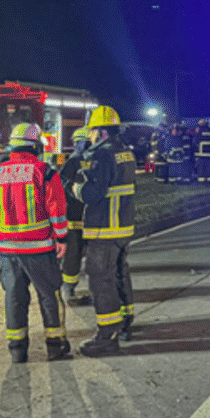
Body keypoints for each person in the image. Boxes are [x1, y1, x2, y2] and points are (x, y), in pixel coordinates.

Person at [0, 123, 72, 363]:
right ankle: (55, 346)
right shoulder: (44, 171)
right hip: (40, 248)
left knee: (14, 298)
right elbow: (57, 209)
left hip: (8, 250)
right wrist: (62, 237)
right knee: (49, 296)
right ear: (36, 146)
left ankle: (17, 349)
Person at [72, 105, 136, 357]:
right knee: (120, 273)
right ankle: (126, 320)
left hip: (104, 229)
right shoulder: (125, 152)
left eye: (92, 132)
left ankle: (107, 335)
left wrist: (74, 186)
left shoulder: (102, 156)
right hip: (122, 227)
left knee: (100, 279)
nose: (90, 136)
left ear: (101, 132)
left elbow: (91, 194)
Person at [59, 127, 91, 303]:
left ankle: (71, 288)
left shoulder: (74, 161)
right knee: (74, 254)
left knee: (76, 254)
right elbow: (63, 185)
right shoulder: (79, 161)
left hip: (79, 216)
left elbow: (62, 184)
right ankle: (69, 289)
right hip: (78, 217)